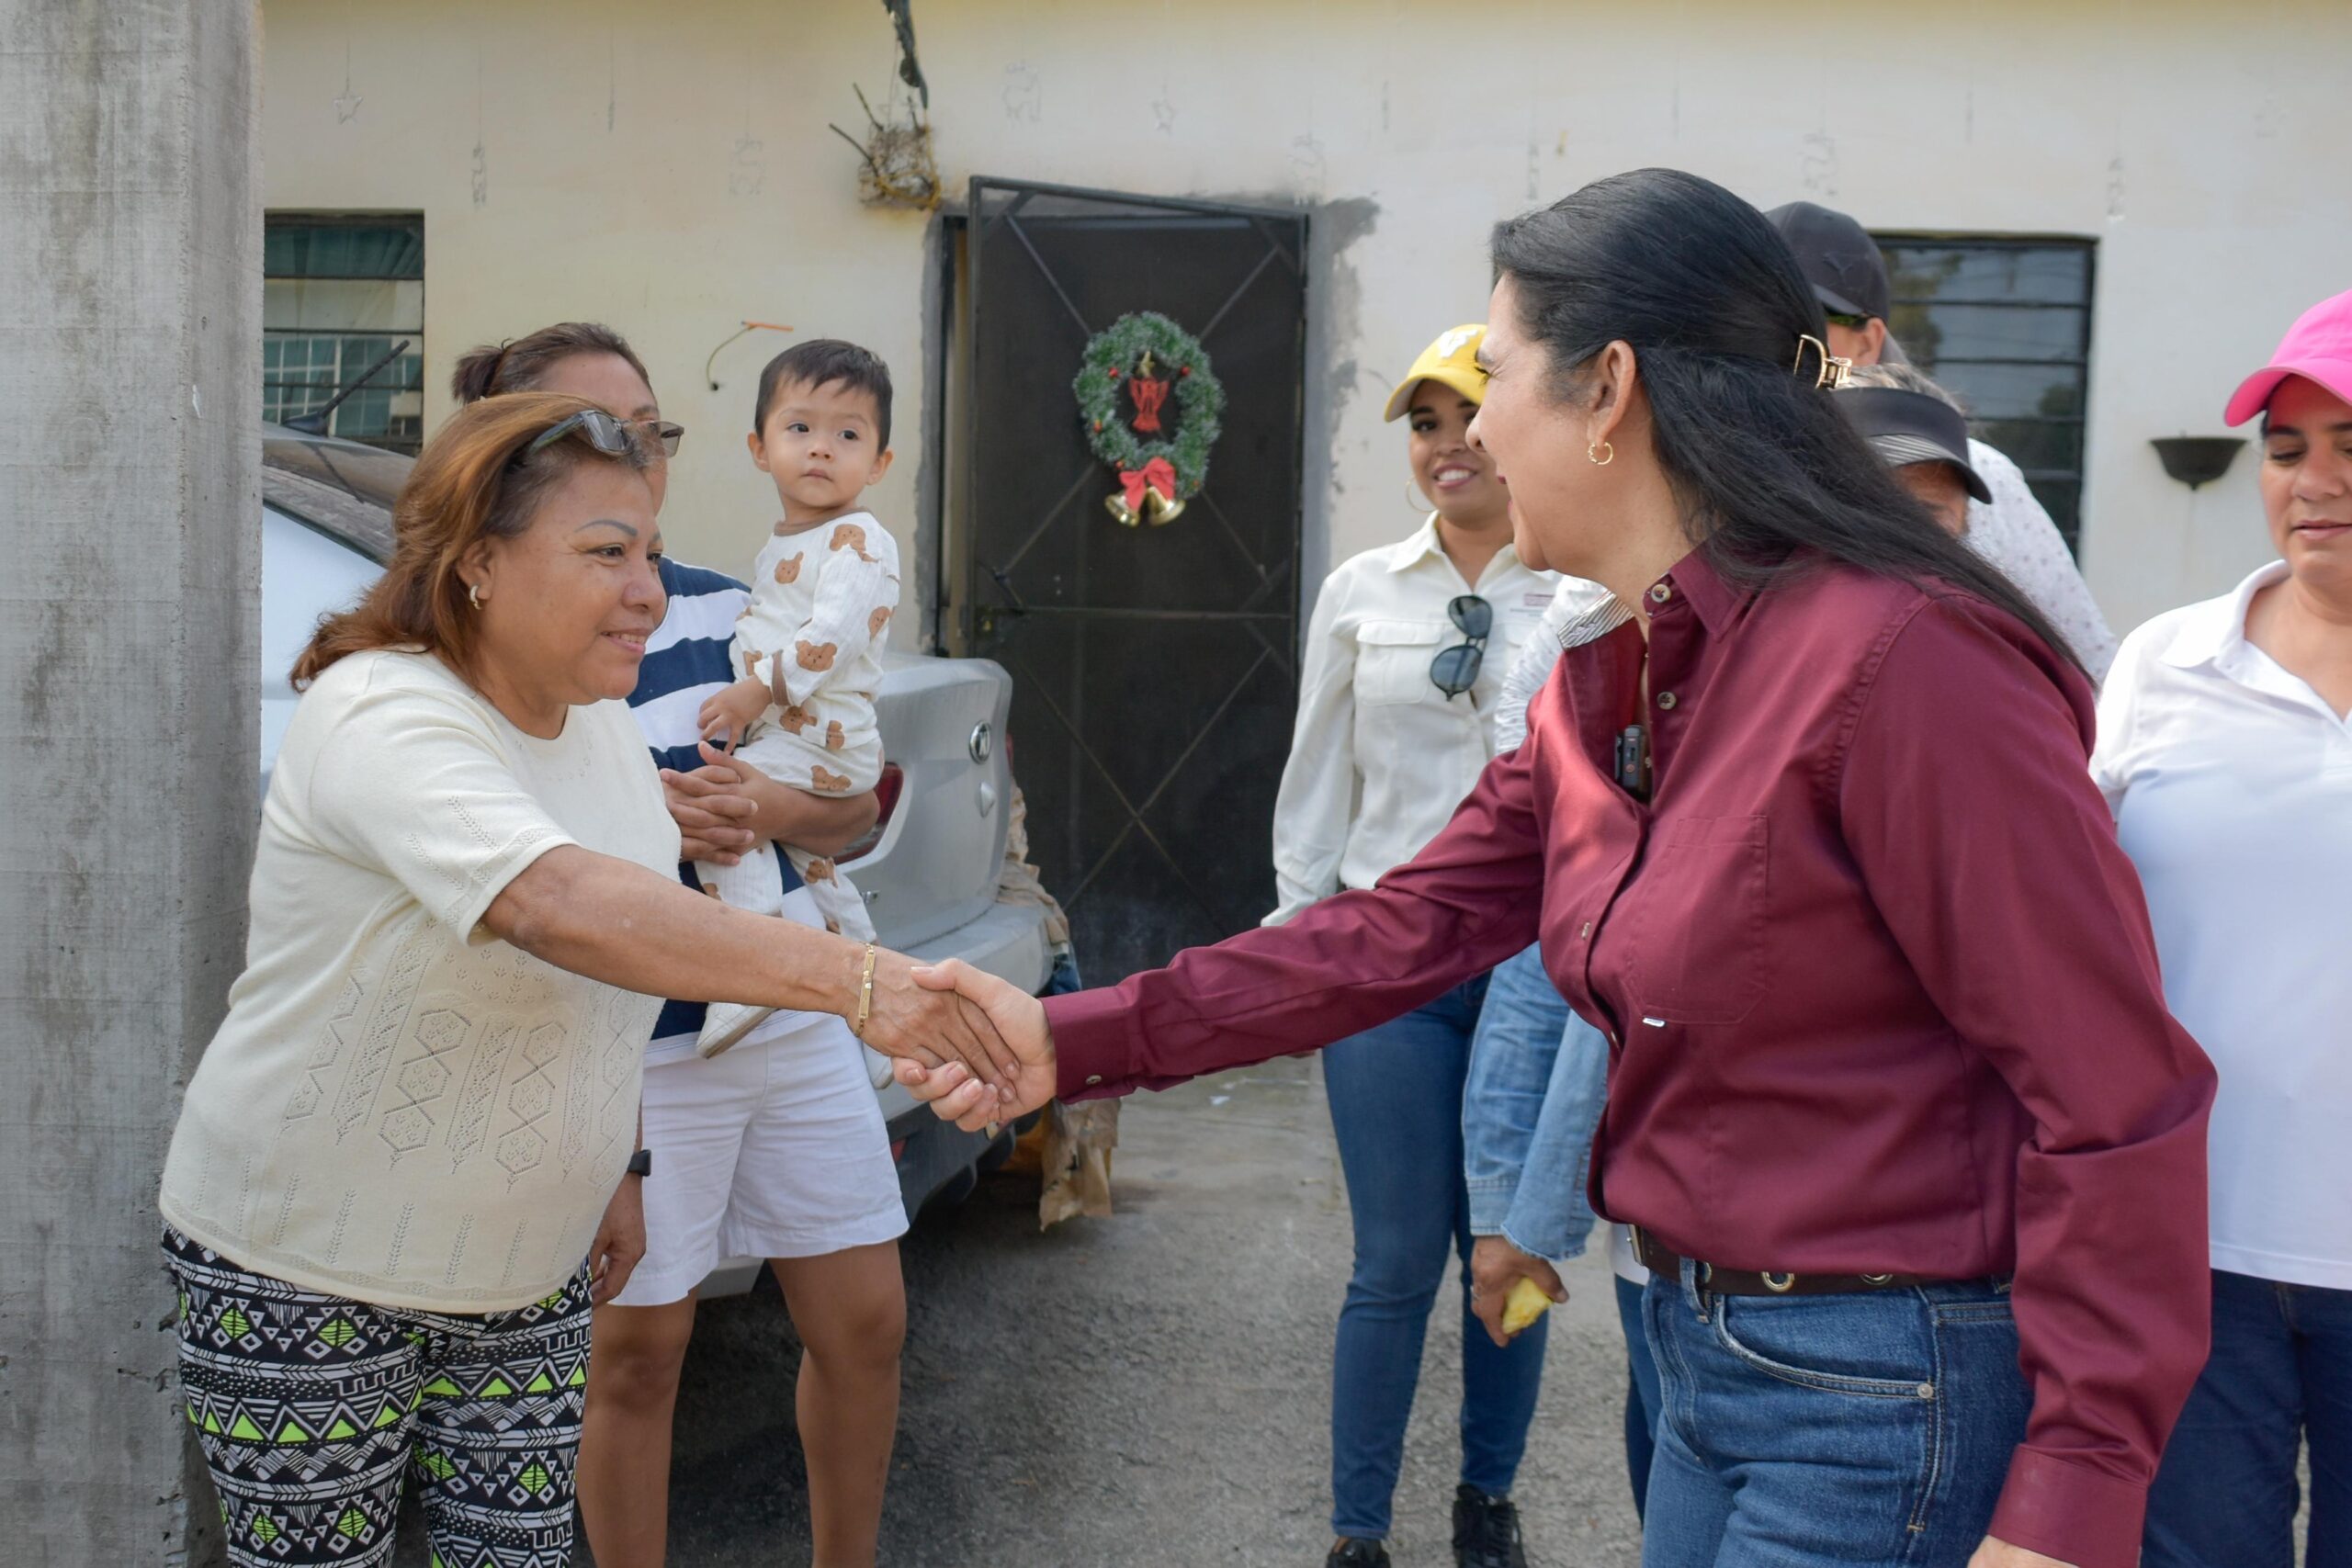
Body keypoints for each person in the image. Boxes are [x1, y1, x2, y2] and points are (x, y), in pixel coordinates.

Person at [901, 168, 2218, 1568]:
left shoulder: (1903, 662)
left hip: (1886, 1390)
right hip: (1699, 1357)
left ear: (1608, 391)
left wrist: (2076, 1485)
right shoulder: (1618, 673)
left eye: (1501, 375)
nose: (1475, 430)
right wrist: (1068, 1037)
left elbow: (2111, 1087)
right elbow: (1394, 927)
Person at [160, 392, 1005, 1568]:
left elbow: (623, 967)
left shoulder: (597, 725)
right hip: (316, 1265)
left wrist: (616, 1160)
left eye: (651, 554)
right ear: (474, 567)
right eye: (606, 554)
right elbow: (555, 908)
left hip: (531, 1260)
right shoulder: (385, 712)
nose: (650, 594)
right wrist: (875, 986)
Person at [446, 323, 913, 1568]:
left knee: (866, 1320)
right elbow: (516, 877)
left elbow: (853, 805)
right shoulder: (471, 651)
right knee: (640, 1351)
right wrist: (649, 820)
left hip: (789, 1001)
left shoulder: (733, 603)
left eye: (649, 431)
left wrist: (756, 808)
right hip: (627, 1039)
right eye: (595, 432)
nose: (635, 456)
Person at [1268, 322, 1560, 1568]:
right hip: (1387, 959)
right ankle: (1358, 1532)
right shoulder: (1362, 590)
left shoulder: (1579, 589)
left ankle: (1486, 1503)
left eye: (1468, 416)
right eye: (1424, 423)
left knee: (1513, 1249)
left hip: (1532, 972)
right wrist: (1300, 951)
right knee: (1392, 1258)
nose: (1447, 444)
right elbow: (1313, 786)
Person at [2096, 288, 2352, 1568]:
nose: (2315, 482)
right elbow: (2069, 937)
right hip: (2192, 1257)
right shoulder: (2164, 664)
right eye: (2290, 447)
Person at [1766, 201, 2119, 678]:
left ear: (1868, 341)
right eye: (1751, 318)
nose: (1773, 345)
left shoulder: (1979, 471)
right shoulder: (1699, 466)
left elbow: (2088, 662)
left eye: (1802, 323)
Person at [695, 339, 904, 1056]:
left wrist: (754, 690)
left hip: (823, 745)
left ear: (878, 463)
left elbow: (832, 637)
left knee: (721, 808)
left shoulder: (860, 539)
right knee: (823, 880)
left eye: (847, 435)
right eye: (800, 428)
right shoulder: (786, 542)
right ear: (760, 447)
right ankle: (881, 1023)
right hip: (796, 740)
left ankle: (743, 975)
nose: (821, 449)